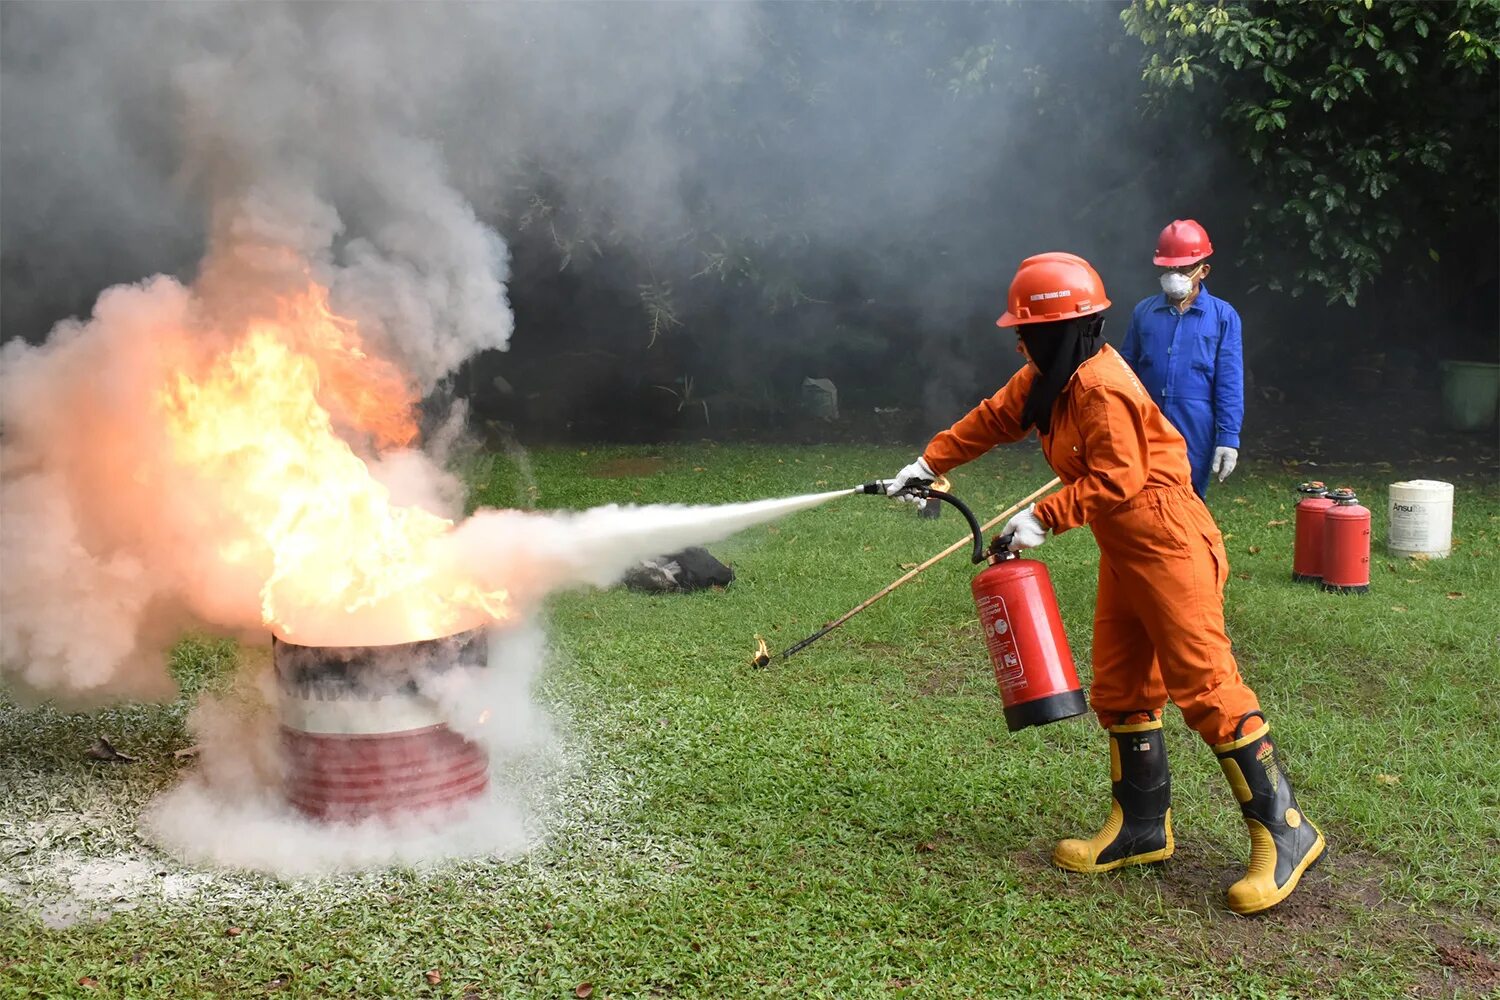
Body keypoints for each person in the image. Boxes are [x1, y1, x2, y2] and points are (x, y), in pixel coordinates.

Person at [886, 252, 1322, 915]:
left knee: (1205, 685)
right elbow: (994, 418)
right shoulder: (1050, 378)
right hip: (1126, 547)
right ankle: (1142, 830)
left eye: (1030, 329)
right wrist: (927, 462)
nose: (1020, 339)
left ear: (1068, 329)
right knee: (1121, 689)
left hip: (1170, 542)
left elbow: (1119, 477)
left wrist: (1042, 516)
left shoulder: (1099, 387)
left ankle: (1288, 832)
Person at [1120, 220, 1243, 498]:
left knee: (1190, 496)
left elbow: (1230, 382)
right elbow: (1124, 371)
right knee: (1143, 496)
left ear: (1204, 270)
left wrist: (1228, 437)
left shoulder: (1223, 317)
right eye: (1169, 268)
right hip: (1148, 420)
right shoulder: (1144, 312)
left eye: (1184, 268)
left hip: (1196, 423)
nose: (1175, 275)